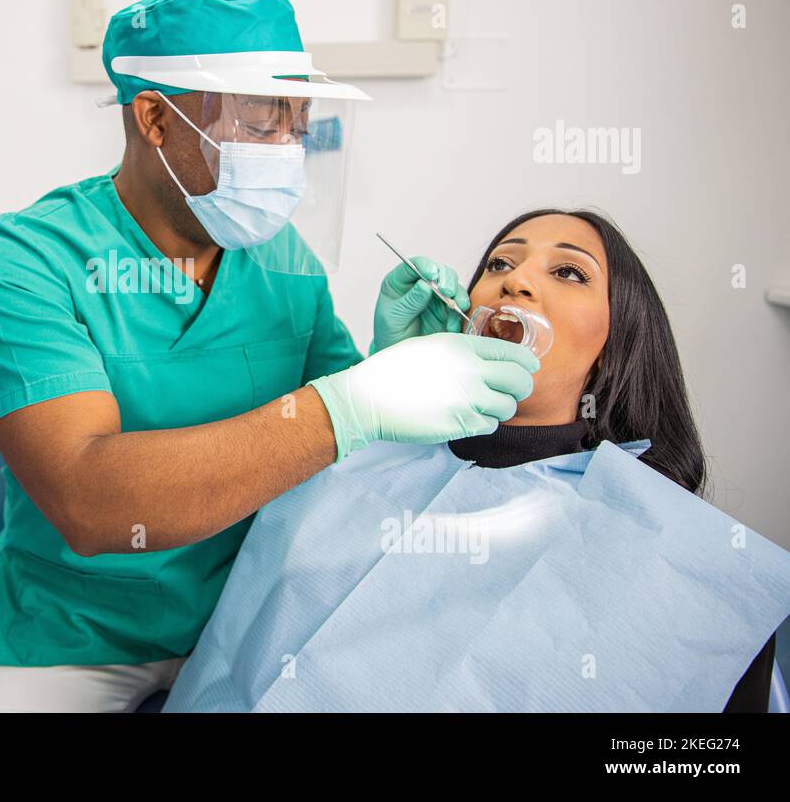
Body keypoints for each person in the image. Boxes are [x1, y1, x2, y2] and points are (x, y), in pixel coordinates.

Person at [0, 0, 540, 712]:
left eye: (297, 123)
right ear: (154, 116)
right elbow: (88, 502)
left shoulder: (287, 263)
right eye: (259, 122)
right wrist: (353, 402)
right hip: (67, 636)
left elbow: (345, 458)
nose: (287, 149)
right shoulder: (29, 260)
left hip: (253, 614)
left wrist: (386, 367)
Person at [165, 209, 786, 712]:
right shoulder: (350, 447)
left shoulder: (679, 556)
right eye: (500, 263)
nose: (515, 280)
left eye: (568, 273)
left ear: (617, 340)